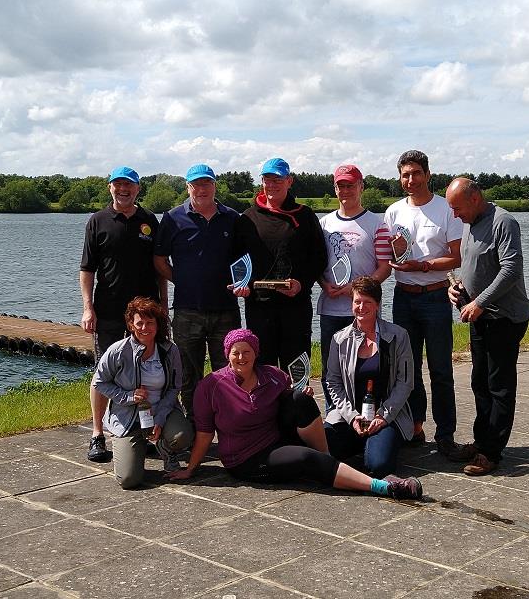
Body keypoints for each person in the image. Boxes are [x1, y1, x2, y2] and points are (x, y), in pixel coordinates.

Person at [167, 328, 422, 500]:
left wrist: (302, 393)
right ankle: (383, 487)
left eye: (247, 351)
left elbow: (294, 404)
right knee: (305, 459)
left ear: (256, 353)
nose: (241, 357)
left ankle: (327, 461)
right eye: (235, 352)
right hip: (247, 459)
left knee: (300, 399)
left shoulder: (272, 375)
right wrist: (190, 468)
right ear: (227, 355)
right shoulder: (211, 386)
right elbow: (204, 433)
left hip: (277, 439)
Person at [383, 150, 467, 458]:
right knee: (408, 368)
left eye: (416, 173)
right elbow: (390, 253)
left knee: (441, 369)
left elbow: (456, 257)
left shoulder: (445, 209)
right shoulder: (393, 212)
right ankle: (414, 428)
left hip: (434, 296)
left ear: (428, 174)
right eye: (405, 174)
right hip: (403, 297)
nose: (410, 180)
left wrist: (423, 266)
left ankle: (445, 435)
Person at [445, 178, 529, 475]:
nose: (455, 215)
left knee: (499, 387)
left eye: (457, 208)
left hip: (504, 318)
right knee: (479, 382)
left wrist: (479, 302)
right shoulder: (470, 221)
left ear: (475, 198)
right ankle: (482, 442)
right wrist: (455, 289)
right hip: (480, 317)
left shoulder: (503, 222)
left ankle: (491, 453)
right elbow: (472, 265)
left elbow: (510, 269)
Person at [80, 166, 163, 462]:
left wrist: (164, 303)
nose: (123, 189)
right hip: (109, 311)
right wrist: (88, 308)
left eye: (129, 185)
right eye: (118, 185)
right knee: (103, 372)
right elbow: (87, 269)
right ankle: (97, 435)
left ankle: (143, 431)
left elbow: (159, 266)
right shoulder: (97, 221)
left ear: (138, 189)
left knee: (146, 371)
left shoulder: (149, 221)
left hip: (146, 315)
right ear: (110, 188)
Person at [154, 164, 240, 422]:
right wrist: (181, 281)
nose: (201, 189)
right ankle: (195, 424)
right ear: (188, 187)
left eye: (206, 184)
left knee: (227, 371)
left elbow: (244, 259)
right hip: (187, 310)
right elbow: (159, 259)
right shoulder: (172, 218)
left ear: (215, 185)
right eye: (196, 184)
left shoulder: (233, 218)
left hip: (225, 309)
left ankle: (227, 424)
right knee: (188, 374)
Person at [230, 158, 327, 370]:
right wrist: (241, 283)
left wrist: (302, 283)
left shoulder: (305, 215)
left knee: (297, 369)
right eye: (267, 179)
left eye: (278, 179)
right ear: (262, 181)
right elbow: (236, 259)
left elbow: (319, 258)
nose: (272, 184)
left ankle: (298, 402)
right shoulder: (247, 218)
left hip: (296, 306)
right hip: (259, 306)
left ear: (289, 181)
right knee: (263, 369)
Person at [93, 297, 194, 489]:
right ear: (131, 325)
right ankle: (135, 445)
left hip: (161, 410)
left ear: (157, 325)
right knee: (128, 480)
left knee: (183, 435)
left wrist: (161, 417)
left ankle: (165, 448)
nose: (145, 328)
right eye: (140, 323)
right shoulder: (118, 351)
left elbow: (174, 387)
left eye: (150, 323)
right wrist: (128, 396)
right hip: (128, 415)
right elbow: (99, 382)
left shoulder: (170, 350)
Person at [318, 165, 392, 413]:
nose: (345, 190)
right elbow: (317, 264)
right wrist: (322, 283)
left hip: (363, 311)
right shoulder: (324, 224)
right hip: (331, 310)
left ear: (361, 187)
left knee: (366, 366)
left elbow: (384, 268)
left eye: (351, 185)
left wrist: (358, 290)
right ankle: (334, 418)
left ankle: (367, 414)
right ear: (335, 188)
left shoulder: (377, 224)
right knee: (331, 369)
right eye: (341, 185)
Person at [324, 276, 414, 478]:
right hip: (350, 415)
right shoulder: (339, 339)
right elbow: (333, 382)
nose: (361, 307)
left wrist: (383, 416)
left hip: (386, 415)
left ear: (378, 305)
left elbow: (405, 383)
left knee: (379, 466)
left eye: (368, 302)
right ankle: (359, 441)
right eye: (357, 301)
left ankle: (377, 443)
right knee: (323, 451)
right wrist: (352, 417)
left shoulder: (399, 336)